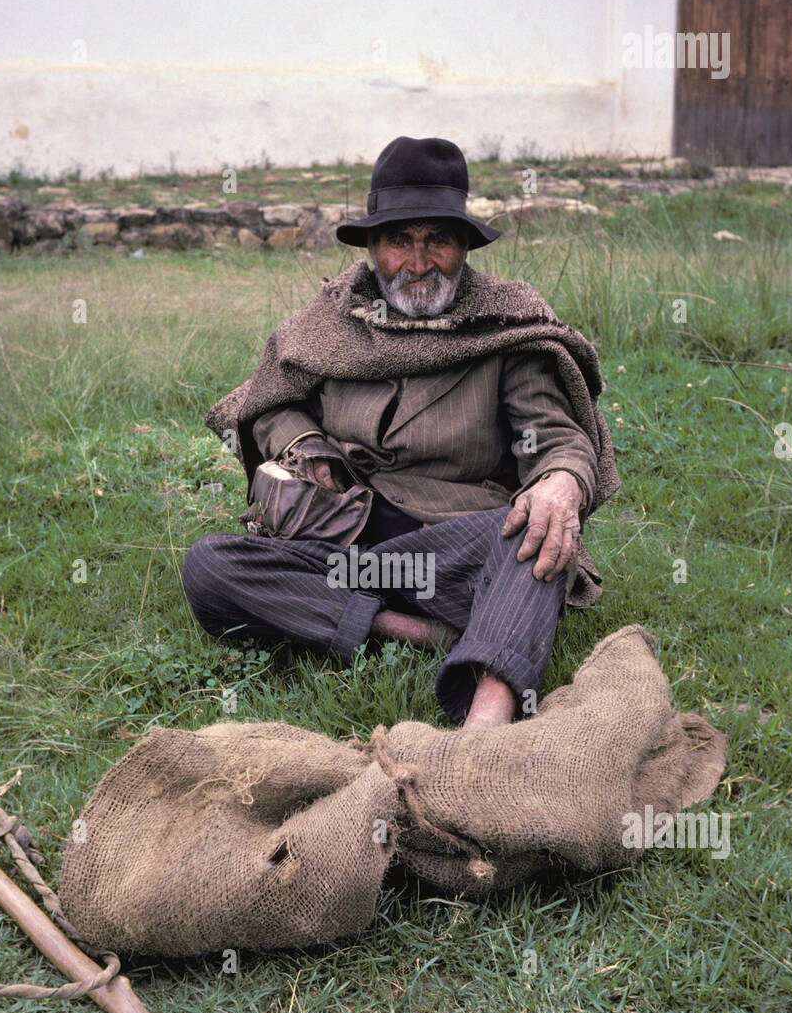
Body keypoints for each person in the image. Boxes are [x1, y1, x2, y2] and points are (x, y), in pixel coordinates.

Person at [182, 136, 620, 726]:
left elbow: (556, 436)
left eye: (437, 239)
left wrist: (561, 482)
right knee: (211, 566)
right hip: (345, 544)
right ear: (371, 247)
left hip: (453, 549)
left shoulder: (505, 327)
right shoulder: (334, 322)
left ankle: (484, 726)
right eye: (399, 241)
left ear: (464, 244)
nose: (418, 263)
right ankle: (420, 634)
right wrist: (306, 446)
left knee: (534, 539)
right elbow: (266, 403)